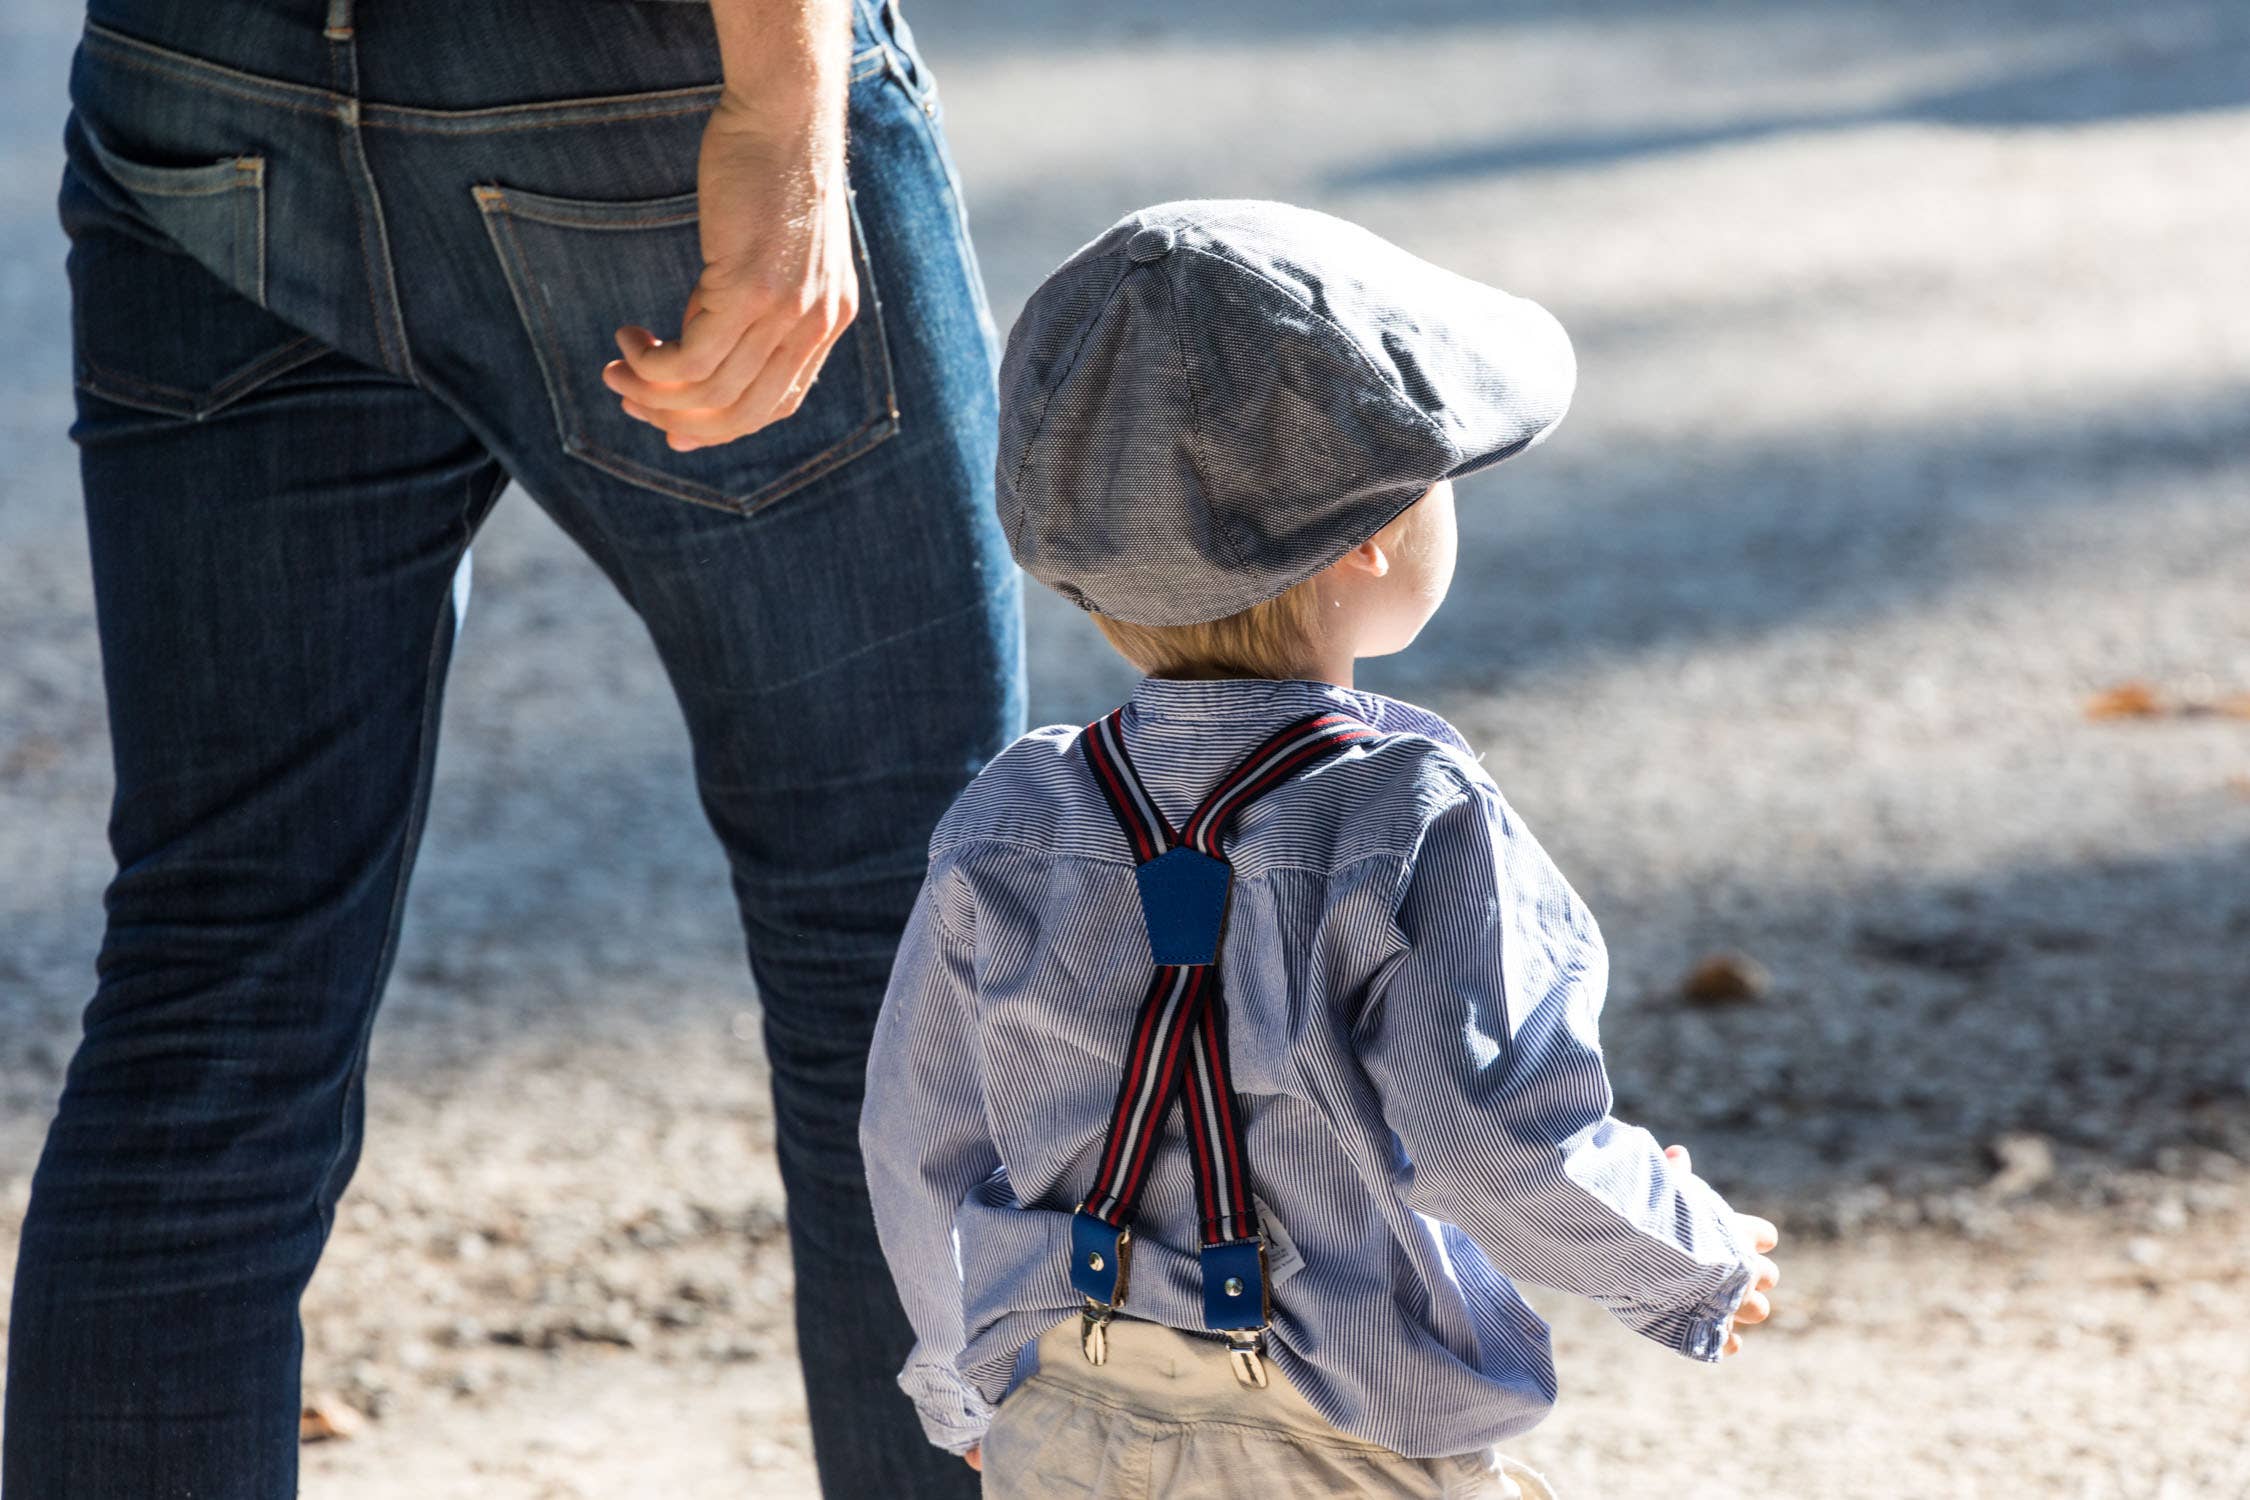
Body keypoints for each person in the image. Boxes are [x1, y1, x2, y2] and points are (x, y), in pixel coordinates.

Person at [4, 0, 1016, 1495]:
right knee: (904, 958)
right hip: (628, 80)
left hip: (201, 73)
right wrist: (782, 109)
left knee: (216, 964)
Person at [861, 200, 1782, 1498]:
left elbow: (920, 1141)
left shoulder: (1013, 816)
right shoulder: (1402, 814)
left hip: (1065, 1408)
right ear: (1368, 535)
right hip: (1340, 1423)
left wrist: (956, 1373)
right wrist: (1682, 1254)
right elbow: (1489, 1140)